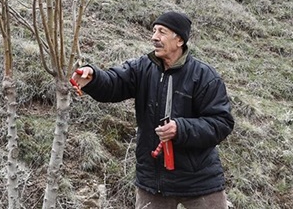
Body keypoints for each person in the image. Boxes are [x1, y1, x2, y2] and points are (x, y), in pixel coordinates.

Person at [71, 11, 234, 209]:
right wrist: (93, 77)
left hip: (199, 180)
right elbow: (114, 83)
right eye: (154, 31)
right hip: (153, 180)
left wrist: (181, 129)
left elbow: (221, 123)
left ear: (180, 40)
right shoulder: (142, 67)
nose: (154, 37)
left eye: (162, 32)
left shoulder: (204, 76)